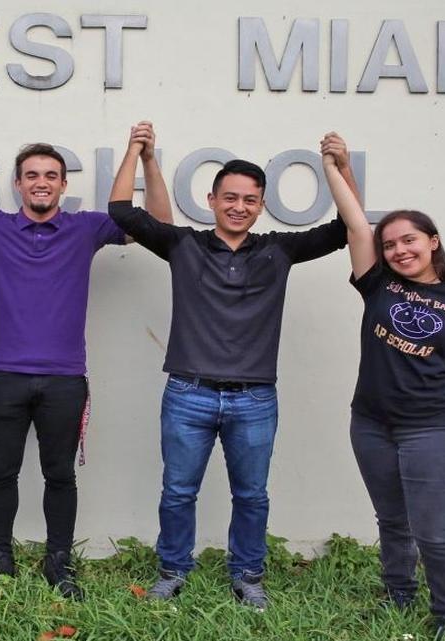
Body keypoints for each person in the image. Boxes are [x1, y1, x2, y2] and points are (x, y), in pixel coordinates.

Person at [0, 122, 172, 600]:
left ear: (63, 185)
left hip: (64, 380)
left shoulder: (88, 228)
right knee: (0, 473)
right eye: (32, 175)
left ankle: (58, 562)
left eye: (51, 175)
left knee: (60, 475)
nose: (41, 182)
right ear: (18, 183)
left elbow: (159, 223)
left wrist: (149, 159)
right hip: (3, 376)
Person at [107, 123, 359, 608]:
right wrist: (138, 152)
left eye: (249, 199)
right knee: (178, 492)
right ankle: (173, 570)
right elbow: (121, 211)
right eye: (230, 197)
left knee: (252, 496)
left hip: (255, 397)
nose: (239, 206)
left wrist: (341, 168)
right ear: (212, 199)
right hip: (188, 393)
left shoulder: (278, 250)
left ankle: (248, 576)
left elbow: (348, 228)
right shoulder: (185, 245)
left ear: (261, 204)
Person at [321, 132, 445, 641]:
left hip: (430, 429)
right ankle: (398, 593)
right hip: (370, 424)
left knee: (433, 533)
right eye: (390, 243)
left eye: (409, 239)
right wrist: (336, 166)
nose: (398, 250)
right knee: (391, 520)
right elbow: (356, 223)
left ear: (432, 241)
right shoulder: (378, 285)